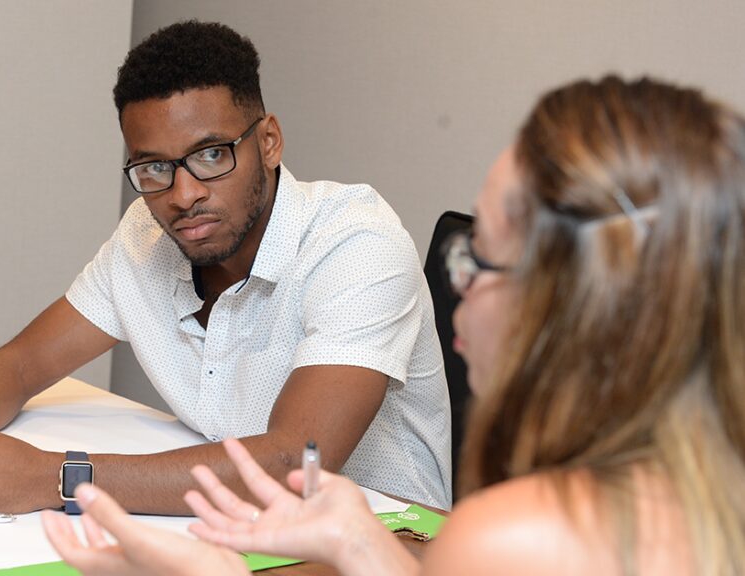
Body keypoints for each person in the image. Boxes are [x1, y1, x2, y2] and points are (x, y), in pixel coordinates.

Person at [41, 75, 745, 574]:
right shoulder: (701, 505)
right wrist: (363, 547)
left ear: (580, 302)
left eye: (481, 257)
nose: (455, 289)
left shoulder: (517, 536)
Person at [0, 20, 451, 515]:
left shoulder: (357, 242)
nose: (182, 194)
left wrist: (56, 479)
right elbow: (21, 364)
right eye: (153, 168)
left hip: (387, 542)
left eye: (211, 155)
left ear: (269, 142)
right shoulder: (147, 235)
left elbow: (292, 462)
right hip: (222, 527)